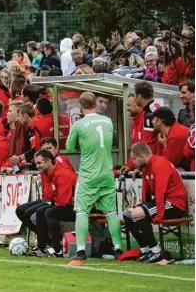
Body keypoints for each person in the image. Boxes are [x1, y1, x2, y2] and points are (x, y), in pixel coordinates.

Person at [66, 92, 122, 261]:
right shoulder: (107, 121)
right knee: (111, 212)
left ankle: (81, 250)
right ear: (96, 104)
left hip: (88, 175)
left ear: (81, 106)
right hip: (106, 174)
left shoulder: (79, 125)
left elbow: (69, 147)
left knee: (82, 212)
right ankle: (118, 248)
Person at [124, 143, 187, 263]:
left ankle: (156, 251)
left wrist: (159, 215)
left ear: (142, 156)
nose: (133, 163)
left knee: (135, 214)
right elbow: (146, 193)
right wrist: (144, 207)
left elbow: (160, 192)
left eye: (134, 159)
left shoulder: (160, 164)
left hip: (174, 204)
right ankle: (146, 250)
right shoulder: (146, 167)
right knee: (128, 214)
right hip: (163, 201)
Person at [31, 149, 77, 257]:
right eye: (36, 163)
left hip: (80, 207)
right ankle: (41, 248)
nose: (37, 166)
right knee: (40, 211)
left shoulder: (62, 173)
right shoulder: (48, 174)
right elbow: (50, 196)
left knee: (50, 212)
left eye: (39, 163)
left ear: (48, 162)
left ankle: (57, 249)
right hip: (68, 205)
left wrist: (54, 202)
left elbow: (63, 201)